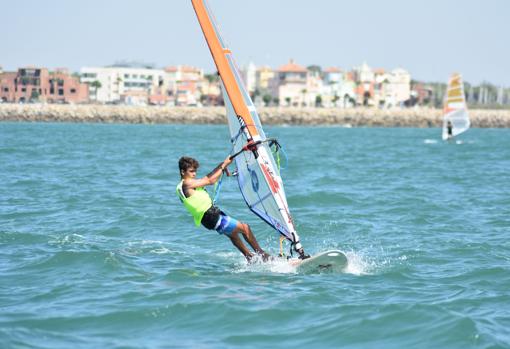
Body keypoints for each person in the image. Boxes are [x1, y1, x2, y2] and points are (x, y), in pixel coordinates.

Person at [176, 156, 271, 262]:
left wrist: (222, 165)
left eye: (195, 171)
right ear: (182, 172)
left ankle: (249, 257)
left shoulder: (181, 186)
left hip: (208, 218)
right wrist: (224, 165)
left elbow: (209, 177)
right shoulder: (187, 183)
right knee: (245, 228)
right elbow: (210, 180)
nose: (194, 174)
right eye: (191, 171)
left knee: (233, 234)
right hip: (211, 216)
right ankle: (263, 255)